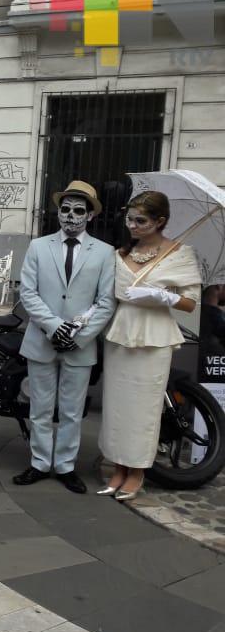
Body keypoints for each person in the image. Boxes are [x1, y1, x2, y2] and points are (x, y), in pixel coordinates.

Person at [15, 180, 116, 494]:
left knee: (72, 411)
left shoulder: (105, 253)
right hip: (41, 340)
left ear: (90, 215)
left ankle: (66, 466)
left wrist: (80, 337)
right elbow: (28, 293)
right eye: (65, 209)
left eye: (78, 211)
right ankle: (39, 463)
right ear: (57, 211)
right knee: (40, 408)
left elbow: (106, 302)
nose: (70, 216)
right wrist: (54, 326)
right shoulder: (38, 246)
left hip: (80, 346)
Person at [98, 191, 201, 500]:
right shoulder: (119, 253)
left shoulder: (180, 253)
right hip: (120, 333)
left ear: (160, 221)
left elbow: (190, 303)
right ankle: (118, 466)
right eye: (129, 219)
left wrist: (162, 296)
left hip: (155, 336)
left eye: (140, 221)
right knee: (116, 406)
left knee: (144, 408)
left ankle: (137, 470)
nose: (132, 225)